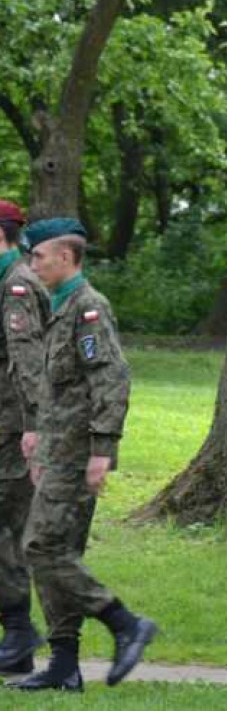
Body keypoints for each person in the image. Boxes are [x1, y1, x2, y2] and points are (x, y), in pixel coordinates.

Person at [9, 218, 156, 693]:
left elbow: (110, 380)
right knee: (56, 552)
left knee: (40, 548)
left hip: (77, 452)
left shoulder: (88, 308)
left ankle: (125, 622)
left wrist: (102, 450)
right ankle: (64, 665)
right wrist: (36, 436)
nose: (32, 264)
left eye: (39, 257)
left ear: (66, 258)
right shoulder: (59, 305)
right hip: (56, 449)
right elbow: (56, 387)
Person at [0, 200, 48, 674]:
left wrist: (35, 425)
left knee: (11, 533)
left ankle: (18, 634)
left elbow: (28, 361)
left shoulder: (15, 283)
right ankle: (17, 638)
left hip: (13, 427)